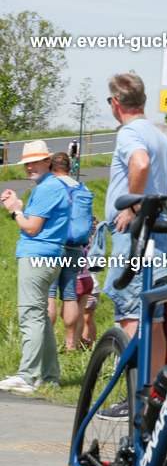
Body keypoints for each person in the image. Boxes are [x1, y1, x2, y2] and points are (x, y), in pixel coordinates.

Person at [101, 75, 167, 417]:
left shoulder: (130, 133)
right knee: (154, 320)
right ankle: (154, 396)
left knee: (130, 315)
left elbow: (139, 163)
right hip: (163, 239)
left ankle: (133, 396)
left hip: (135, 238)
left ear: (115, 103)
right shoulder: (157, 133)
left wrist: (133, 207)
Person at [0, 141, 71, 392]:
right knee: (40, 317)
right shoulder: (52, 186)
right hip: (49, 257)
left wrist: (14, 210)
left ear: (47, 161)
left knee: (30, 316)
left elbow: (31, 227)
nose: (30, 166)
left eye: (35, 161)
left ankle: (26, 376)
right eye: (27, 163)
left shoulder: (47, 188)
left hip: (36, 257)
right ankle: (50, 376)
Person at [46, 152, 82, 350]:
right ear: (70, 168)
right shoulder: (80, 186)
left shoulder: (51, 186)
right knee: (69, 295)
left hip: (54, 245)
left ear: (51, 167)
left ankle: (47, 342)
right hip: (75, 246)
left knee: (49, 294)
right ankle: (71, 344)